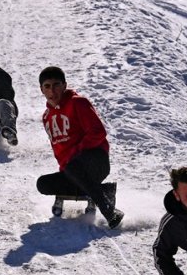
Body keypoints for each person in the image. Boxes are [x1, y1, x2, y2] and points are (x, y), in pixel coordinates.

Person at [36, 66, 123, 228]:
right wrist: (66, 166)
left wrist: (75, 154)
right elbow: (58, 149)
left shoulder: (78, 103)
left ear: (64, 86)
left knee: (72, 166)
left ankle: (110, 211)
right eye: (47, 86)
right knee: (43, 183)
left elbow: (98, 132)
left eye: (56, 85)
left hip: (96, 161)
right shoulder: (47, 117)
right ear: (42, 89)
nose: (52, 90)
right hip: (72, 169)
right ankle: (104, 191)